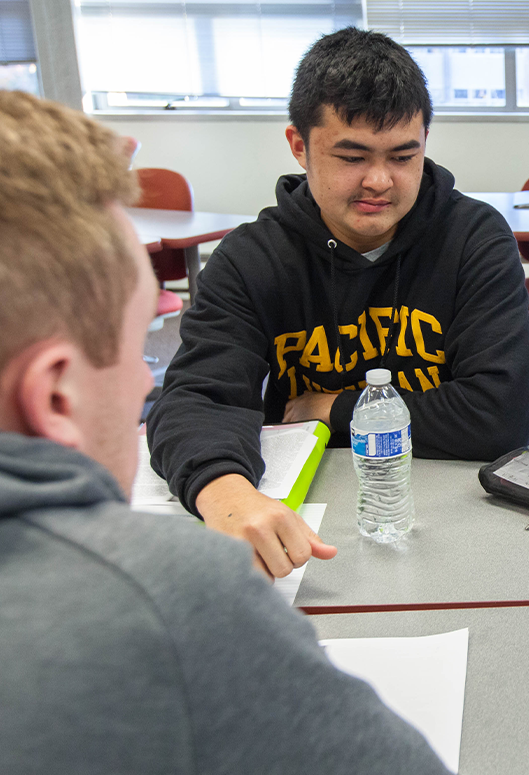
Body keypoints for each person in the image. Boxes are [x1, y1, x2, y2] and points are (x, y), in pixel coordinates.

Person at [0, 90, 448, 773]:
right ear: (54, 396)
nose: (144, 385)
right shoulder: (161, 596)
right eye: (136, 349)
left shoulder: (467, 236)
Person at [146, 27, 529, 578]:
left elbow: (497, 416)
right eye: (352, 156)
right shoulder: (251, 258)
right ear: (299, 146)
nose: (380, 181)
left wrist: (332, 409)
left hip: (455, 511)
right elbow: (196, 399)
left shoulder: (474, 238)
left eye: (405, 155)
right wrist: (226, 495)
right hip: (309, 517)